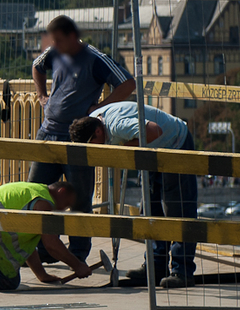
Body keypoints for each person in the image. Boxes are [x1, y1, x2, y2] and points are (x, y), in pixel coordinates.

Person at [29, 15, 135, 263]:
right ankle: (39, 249)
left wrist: (98, 108)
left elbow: (127, 83)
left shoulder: (94, 58)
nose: (53, 44)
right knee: (36, 192)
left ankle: (77, 253)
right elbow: (37, 65)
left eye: (58, 39)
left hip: (78, 137)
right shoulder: (55, 52)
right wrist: (42, 95)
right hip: (48, 132)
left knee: (79, 197)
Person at [69, 101, 198, 288]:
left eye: (92, 145)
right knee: (149, 209)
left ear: (97, 132)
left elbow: (154, 131)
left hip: (174, 143)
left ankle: (182, 271)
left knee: (179, 211)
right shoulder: (94, 119)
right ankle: (155, 266)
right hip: (152, 152)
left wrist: (123, 150)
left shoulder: (117, 125)